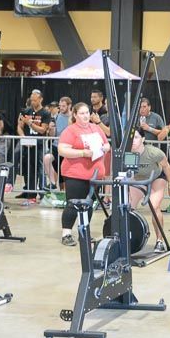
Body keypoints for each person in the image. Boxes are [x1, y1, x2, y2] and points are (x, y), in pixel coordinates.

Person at [57, 102, 111, 246]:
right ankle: (66, 234)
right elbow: (62, 150)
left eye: (87, 112)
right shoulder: (70, 131)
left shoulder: (95, 128)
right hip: (75, 174)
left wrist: (104, 148)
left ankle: (84, 232)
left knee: (89, 204)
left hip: (94, 175)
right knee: (73, 204)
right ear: (75, 115)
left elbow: (107, 144)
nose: (85, 116)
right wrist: (82, 153)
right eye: (82, 113)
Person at [130, 130, 170, 252]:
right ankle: (130, 239)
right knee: (129, 207)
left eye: (136, 137)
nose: (133, 140)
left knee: (154, 206)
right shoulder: (128, 153)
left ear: (143, 139)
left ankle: (159, 241)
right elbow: (127, 172)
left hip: (156, 178)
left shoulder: (153, 152)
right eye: (131, 137)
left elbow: (166, 166)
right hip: (139, 180)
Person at [16, 88, 51, 204]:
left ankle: (42, 193)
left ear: (41, 99)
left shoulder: (45, 113)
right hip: (28, 144)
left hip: (39, 145)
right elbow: (19, 127)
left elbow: (42, 130)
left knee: (40, 170)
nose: (33, 102)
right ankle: (31, 194)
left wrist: (30, 123)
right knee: (29, 170)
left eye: (35, 100)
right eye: (31, 100)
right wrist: (24, 137)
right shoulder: (26, 111)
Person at [43, 97, 72, 190]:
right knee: (47, 159)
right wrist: (51, 129)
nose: (61, 108)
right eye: (60, 106)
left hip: (67, 148)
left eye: (63, 106)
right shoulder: (56, 117)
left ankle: (64, 190)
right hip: (56, 146)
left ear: (69, 106)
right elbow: (52, 135)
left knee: (64, 173)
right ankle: (52, 183)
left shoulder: (73, 117)